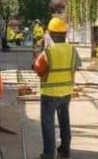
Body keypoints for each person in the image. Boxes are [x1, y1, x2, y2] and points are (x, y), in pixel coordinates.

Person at [32, 17, 78, 159]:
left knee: (48, 124)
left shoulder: (48, 52)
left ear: (50, 34)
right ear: (65, 34)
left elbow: (38, 69)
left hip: (50, 94)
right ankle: (65, 150)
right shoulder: (72, 50)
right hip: (66, 92)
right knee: (64, 120)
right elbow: (75, 66)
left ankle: (48, 154)